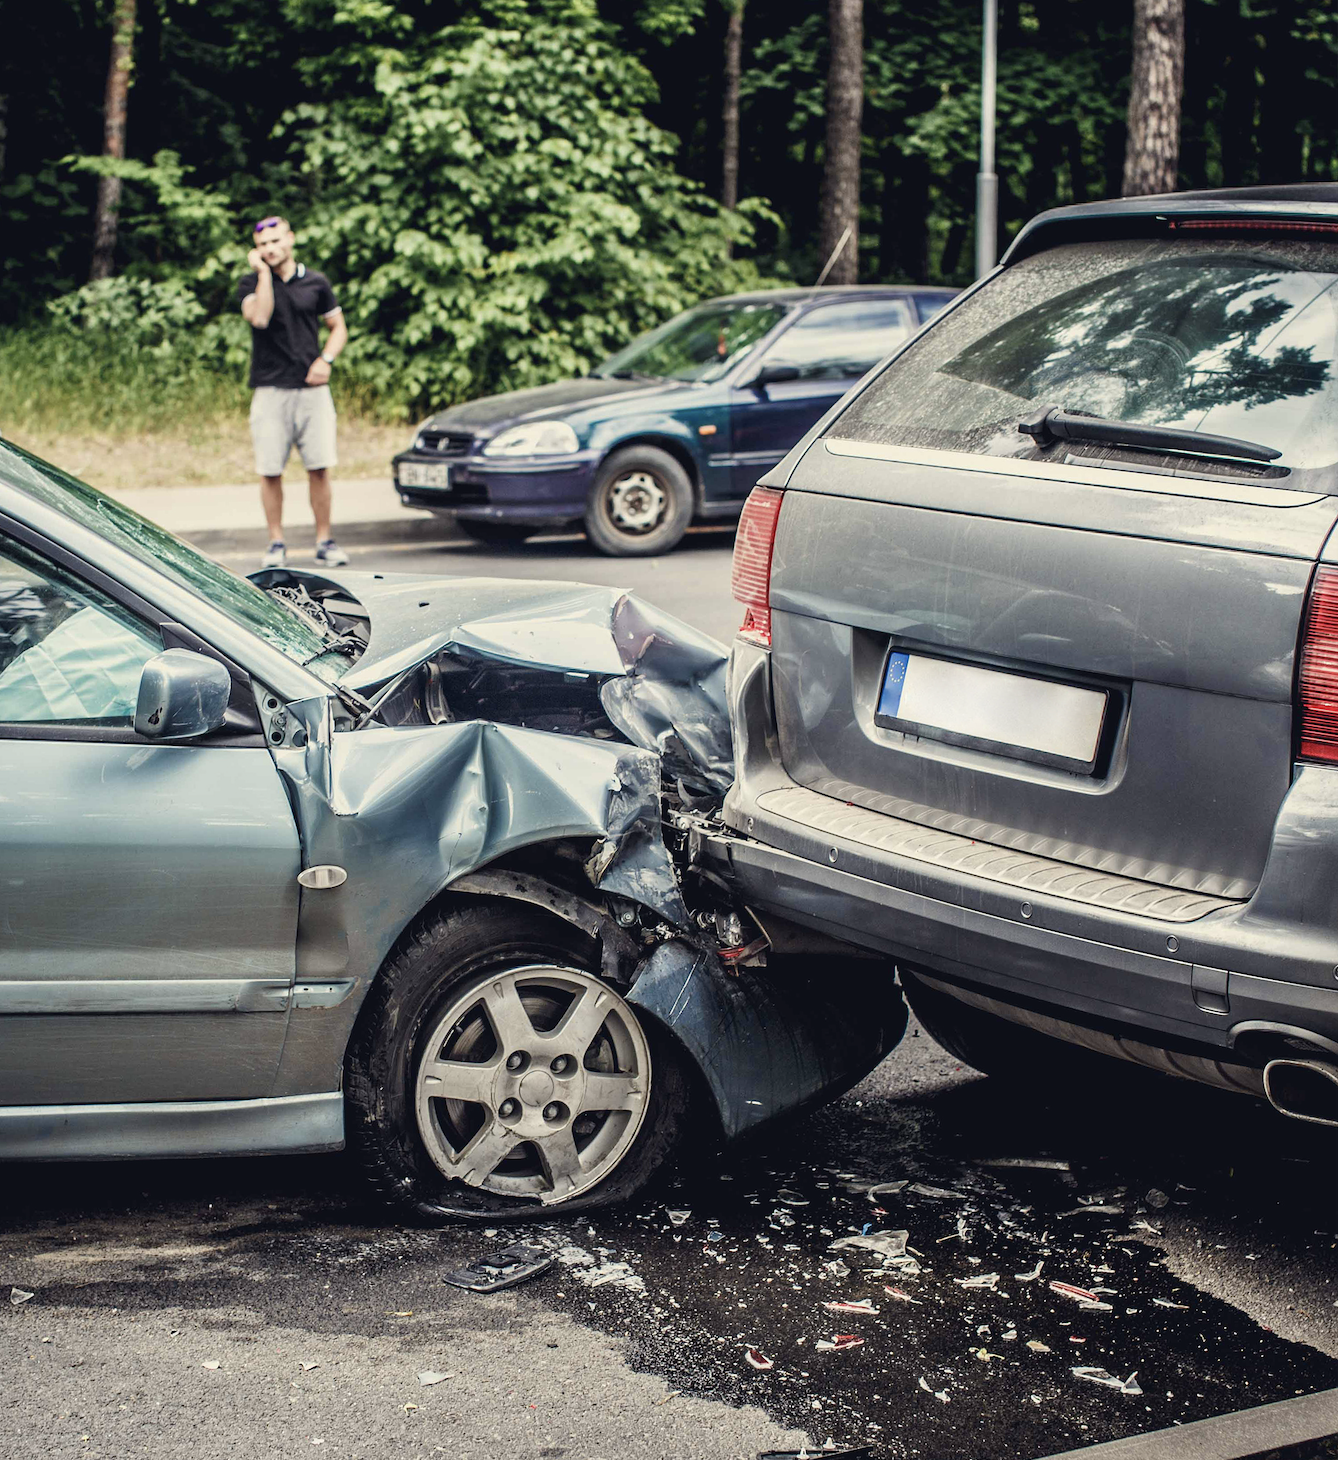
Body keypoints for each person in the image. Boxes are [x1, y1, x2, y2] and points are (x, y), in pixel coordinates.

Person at [237, 215, 350, 568]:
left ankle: (325, 541)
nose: (270, 249)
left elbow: (338, 327)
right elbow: (260, 318)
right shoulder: (249, 283)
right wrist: (264, 276)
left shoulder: (316, 282)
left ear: (290, 239)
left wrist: (326, 359)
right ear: (257, 251)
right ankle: (276, 544)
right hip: (270, 391)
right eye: (263, 245)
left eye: (275, 241)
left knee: (319, 467)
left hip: (312, 392)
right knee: (270, 470)